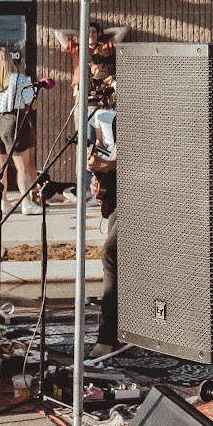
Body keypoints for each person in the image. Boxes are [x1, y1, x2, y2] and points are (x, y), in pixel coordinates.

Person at [0, 46, 41, 216]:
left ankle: (3, 201)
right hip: (12, 121)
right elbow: (31, 103)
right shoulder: (18, 79)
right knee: (22, 166)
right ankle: (26, 202)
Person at [85, 77, 121, 361]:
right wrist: (97, 173)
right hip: (118, 190)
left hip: (146, 193)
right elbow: (100, 149)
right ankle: (123, 331)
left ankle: (107, 336)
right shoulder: (104, 115)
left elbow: (140, 156)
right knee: (121, 261)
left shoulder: (145, 114)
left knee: (111, 254)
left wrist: (105, 165)